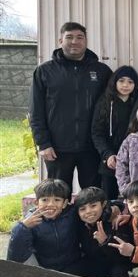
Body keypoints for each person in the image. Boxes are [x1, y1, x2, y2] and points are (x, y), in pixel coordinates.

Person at [29, 22, 112, 190]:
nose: (75, 41)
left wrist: (106, 146)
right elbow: (35, 111)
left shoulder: (102, 71)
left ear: (86, 41)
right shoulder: (44, 71)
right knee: (58, 195)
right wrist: (43, 143)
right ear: (60, 40)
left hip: (92, 147)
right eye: (69, 37)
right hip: (57, 148)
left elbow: (112, 107)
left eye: (79, 37)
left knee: (93, 196)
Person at [7, 179, 85, 275]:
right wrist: (23, 227)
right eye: (44, 200)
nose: (50, 204)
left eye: (57, 200)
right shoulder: (31, 220)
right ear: (36, 203)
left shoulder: (73, 213)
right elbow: (15, 254)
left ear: (64, 204)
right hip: (43, 267)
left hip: (71, 265)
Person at [91, 65, 138, 199]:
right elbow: (97, 133)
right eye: (121, 81)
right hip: (111, 159)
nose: (125, 85)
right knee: (110, 198)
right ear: (114, 82)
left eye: (130, 82)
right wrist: (107, 154)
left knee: (135, 196)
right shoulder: (104, 102)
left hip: (134, 158)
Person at [76, 186, 133, 277]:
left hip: (116, 265)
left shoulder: (117, 222)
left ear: (103, 204)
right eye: (82, 209)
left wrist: (105, 242)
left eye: (93, 206)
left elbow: (123, 259)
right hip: (95, 265)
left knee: (119, 271)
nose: (88, 211)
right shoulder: (79, 223)